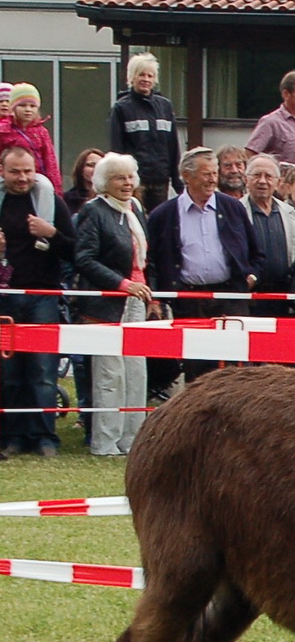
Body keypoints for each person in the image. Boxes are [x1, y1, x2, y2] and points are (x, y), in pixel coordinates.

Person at [144, 147, 264, 383]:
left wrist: (251, 276)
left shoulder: (233, 208)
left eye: (214, 173)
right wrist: (158, 297)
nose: (212, 179)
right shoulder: (163, 215)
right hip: (190, 301)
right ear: (187, 177)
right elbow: (154, 260)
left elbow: (256, 252)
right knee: (198, 367)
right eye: (206, 174)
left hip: (231, 297)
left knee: (236, 366)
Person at [74, 154, 158, 456]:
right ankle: (105, 442)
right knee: (110, 374)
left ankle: (132, 438)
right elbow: (84, 258)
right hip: (106, 304)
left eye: (129, 177)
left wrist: (152, 294)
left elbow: (147, 259)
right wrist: (122, 284)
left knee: (136, 370)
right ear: (104, 183)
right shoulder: (93, 212)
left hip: (137, 300)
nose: (126, 183)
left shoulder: (136, 209)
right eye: (118, 178)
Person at [0, 146, 76, 457]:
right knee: (9, 374)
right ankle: (14, 437)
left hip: (43, 295)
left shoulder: (51, 201)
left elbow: (74, 252)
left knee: (43, 371)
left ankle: (45, 438)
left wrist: (52, 233)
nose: (22, 178)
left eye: (28, 171)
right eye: (15, 172)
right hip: (5, 296)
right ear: (3, 172)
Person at [107, 52, 182, 211]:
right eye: (141, 74)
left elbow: (173, 146)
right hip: (134, 182)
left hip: (161, 182)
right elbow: (117, 149)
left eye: (150, 76)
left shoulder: (165, 107)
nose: (146, 80)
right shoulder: (121, 108)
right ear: (132, 77)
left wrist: (177, 180)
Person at [242, 154, 295, 317]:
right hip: (249, 298)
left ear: (278, 182)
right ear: (246, 179)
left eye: (268, 176)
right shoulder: (236, 211)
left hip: (285, 297)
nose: (263, 181)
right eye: (257, 175)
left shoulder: (290, 214)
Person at [0, 84, 60, 192]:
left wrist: (56, 189)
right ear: (13, 107)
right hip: (7, 176)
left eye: (32, 106)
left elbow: (50, 161)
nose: (28, 109)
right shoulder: (3, 130)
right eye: (22, 105)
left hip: (36, 177)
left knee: (45, 186)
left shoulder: (42, 132)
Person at [62, 147, 103, 216]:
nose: (96, 169)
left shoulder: (112, 199)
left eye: (100, 166)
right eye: (91, 165)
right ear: (80, 168)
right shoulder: (66, 199)